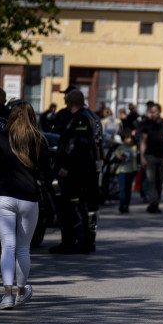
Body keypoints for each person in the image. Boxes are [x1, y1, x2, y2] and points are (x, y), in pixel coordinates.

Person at [0, 101, 51, 310]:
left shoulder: (0, 138)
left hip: (4, 197)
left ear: (11, 116)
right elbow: (46, 172)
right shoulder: (39, 140)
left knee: (7, 247)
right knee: (23, 248)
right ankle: (21, 291)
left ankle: (7, 295)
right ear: (32, 117)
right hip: (29, 197)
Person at [50, 89, 99, 253]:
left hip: (77, 172)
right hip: (82, 170)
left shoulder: (80, 119)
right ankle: (75, 241)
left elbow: (79, 146)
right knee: (74, 206)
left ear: (71, 103)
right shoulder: (86, 116)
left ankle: (79, 242)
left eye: (67, 101)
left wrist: (66, 166)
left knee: (74, 206)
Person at [137, 103, 163, 213]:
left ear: (159, 112)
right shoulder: (147, 125)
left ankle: (156, 203)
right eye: (149, 112)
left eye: (153, 112)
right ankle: (153, 203)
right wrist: (142, 156)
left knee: (159, 181)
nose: (151, 115)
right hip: (150, 156)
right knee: (151, 181)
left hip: (162, 157)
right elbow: (143, 141)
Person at [113, 133, 138, 213]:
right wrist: (121, 157)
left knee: (128, 189)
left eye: (130, 138)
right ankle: (122, 205)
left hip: (131, 171)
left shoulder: (133, 148)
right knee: (122, 189)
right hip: (122, 171)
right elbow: (117, 157)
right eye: (127, 138)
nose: (129, 140)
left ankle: (127, 205)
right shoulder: (119, 148)